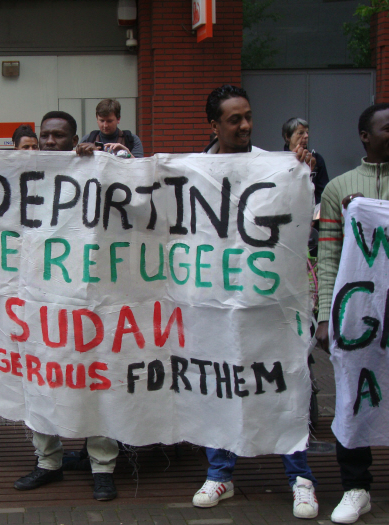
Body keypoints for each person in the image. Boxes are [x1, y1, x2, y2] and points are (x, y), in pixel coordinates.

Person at [193, 85, 319, 520]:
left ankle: (300, 478)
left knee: (283, 384)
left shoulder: (276, 167)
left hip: (268, 304)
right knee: (217, 384)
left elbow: (301, 219)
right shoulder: (191, 172)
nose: (245, 125)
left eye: (248, 117)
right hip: (213, 302)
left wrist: (302, 172)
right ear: (214, 125)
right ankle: (220, 473)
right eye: (234, 119)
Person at [14, 110, 119, 502]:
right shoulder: (24, 174)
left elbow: (133, 176)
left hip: (91, 298)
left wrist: (99, 157)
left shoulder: (96, 165)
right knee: (40, 377)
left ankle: (103, 466)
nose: (51, 142)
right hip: (41, 300)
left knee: (98, 378)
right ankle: (48, 462)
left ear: (77, 137)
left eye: (60, 135)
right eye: (45, 135)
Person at [315, 103, 389, 524]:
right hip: (358, 315)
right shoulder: (338, 189)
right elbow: (327, 257)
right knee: (351, 396)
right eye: (387, 127)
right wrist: (326, 316)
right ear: (365, 135)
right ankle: (355, 486)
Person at [282, 117, 329, 204]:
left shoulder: (316, 159)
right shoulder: (279, 160)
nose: (306, 136)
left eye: (307, 133)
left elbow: (323, 192)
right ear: (288, 137)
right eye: (300, 133)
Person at [79, 99, 144, 158]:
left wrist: (126, 152)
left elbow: (139, 167)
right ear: (97, 119)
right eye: (102, 121)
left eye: (109, 121)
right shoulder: (87, 139)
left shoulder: (132, 140)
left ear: (118, 119)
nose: (105, 125)